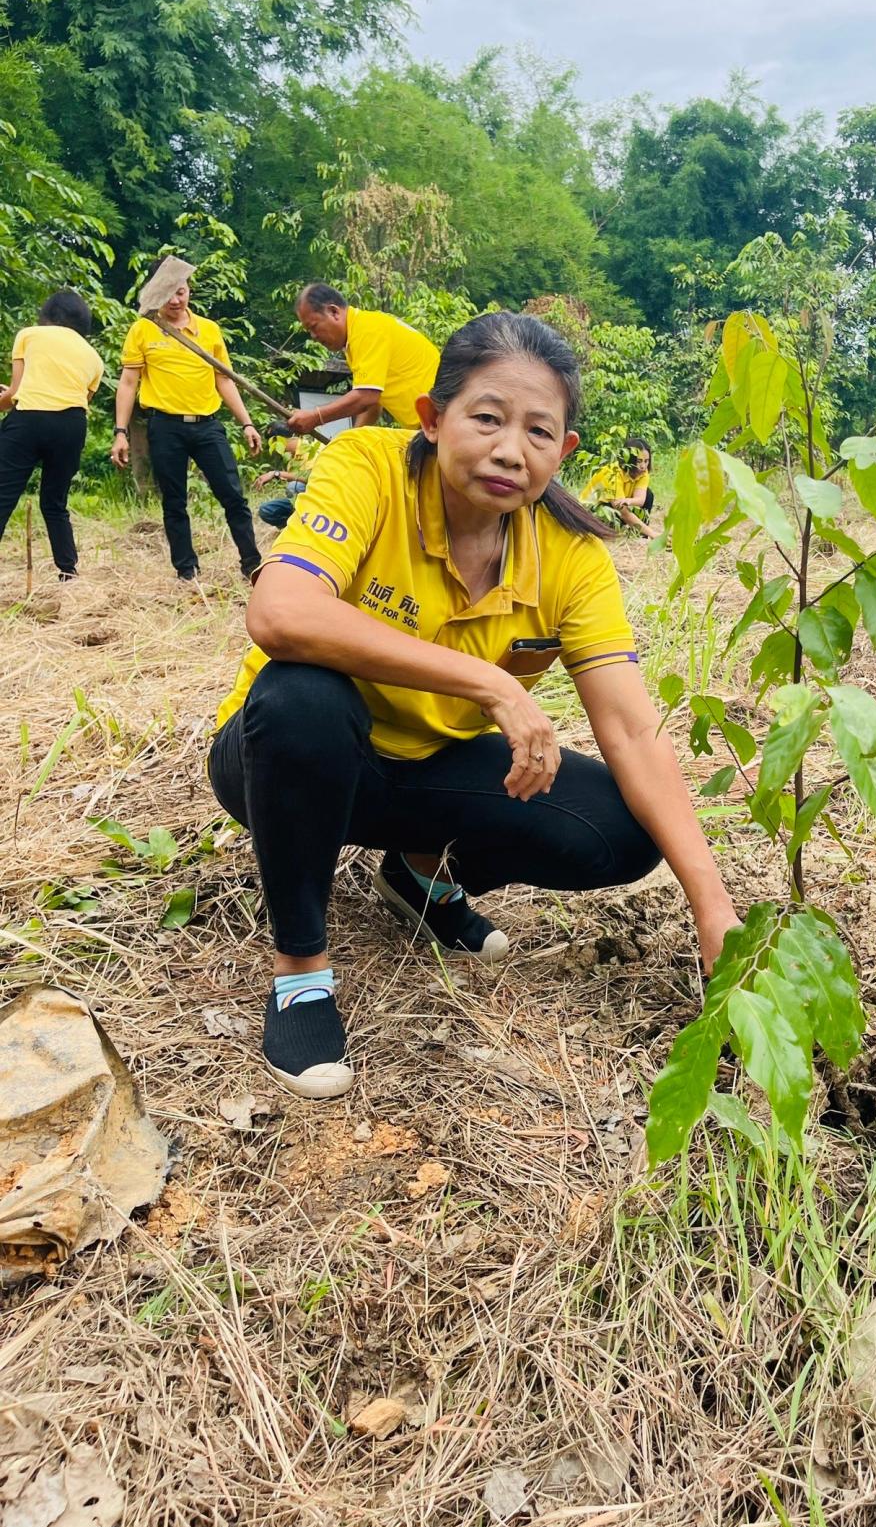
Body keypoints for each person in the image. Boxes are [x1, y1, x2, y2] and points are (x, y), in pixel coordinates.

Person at [209, 312, 739, 1100]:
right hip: (286, 756)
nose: (510, 450)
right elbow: (280, 610)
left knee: (623, 832)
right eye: (487, 418)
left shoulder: (573, 558)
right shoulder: (368, 467)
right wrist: (492, 684)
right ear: (432, 417)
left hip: (424, 765)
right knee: (302, 696)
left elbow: (633, 730)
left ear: (564, 452)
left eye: (538, 431)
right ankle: (301, 976)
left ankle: (419, 876)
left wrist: (714, 910)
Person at [111, 265, 263, 581]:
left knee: (233, 496)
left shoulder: (209, 330)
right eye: (167, 294)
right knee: (174, 501)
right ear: (155, 294)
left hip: (208, 426)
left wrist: (247, 423)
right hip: (165, 427)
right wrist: (120, 432)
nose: (175, 300)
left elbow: (225, 379)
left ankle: (252, 563)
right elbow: (128, 383)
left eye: (180, 292)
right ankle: (187, 571)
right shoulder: (143, 329)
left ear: (188, 290)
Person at [0, 290, 104, 580]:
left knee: (3, 495)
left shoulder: (30, 335)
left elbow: (15, 393)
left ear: (47, 315)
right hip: (71, 426)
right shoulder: (94, 358)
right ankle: (68, 570)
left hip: (29, 420)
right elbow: (82, 399)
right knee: (55, 501)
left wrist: (4, 399)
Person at [289, 283, 440, 434]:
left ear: (334, 312)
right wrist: (350, 439)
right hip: (434, 422)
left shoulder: (366, 331)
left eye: (314, 326)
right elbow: (372, 406)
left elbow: (367, 397)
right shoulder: (358, 334)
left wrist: (316, 417)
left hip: (440, 419)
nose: (313, 336)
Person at [581, 437, 658, 535]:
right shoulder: (612, 473)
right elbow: (623, 513)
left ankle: (640, 533)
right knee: (614, 510)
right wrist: (653, 534)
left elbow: (641, 500)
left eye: (646, 461)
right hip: (593, 511)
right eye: (638, 461)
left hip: (617, 507)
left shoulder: (643, 472)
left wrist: (629, 501)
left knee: (648, 495)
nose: (643, 466)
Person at [253, 423, 318, 528]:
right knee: (266, 510)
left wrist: (276, 474)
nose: (275, 449)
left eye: (274, 444)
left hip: (317, 498)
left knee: (293, 487)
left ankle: (306, 523)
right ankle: (294, 526)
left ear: (280, 441)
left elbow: (312, 479)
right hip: (301, 502)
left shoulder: (308, 448)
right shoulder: (291, 460)